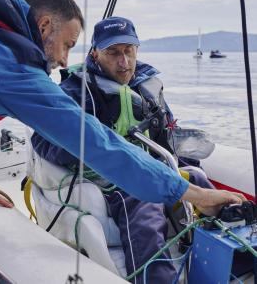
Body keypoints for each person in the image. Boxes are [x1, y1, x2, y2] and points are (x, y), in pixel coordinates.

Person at [0, 0, 244, 214]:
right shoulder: (12, 69)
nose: (63, 61)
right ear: (44, 26)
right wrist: (194, 195)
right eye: (68, 44)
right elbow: (94, 141)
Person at [30, 17, 224, 283]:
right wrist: (91, 148)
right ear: (95, 53)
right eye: (113, 53)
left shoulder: (147, 88)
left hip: (153, 170)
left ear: (137, 50)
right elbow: (42, 140)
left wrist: (186, 168)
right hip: (111, 181)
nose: (124, 62)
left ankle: (227, 267)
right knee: (144, 204)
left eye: (128, 51)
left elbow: (166, 137)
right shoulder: (74, 91)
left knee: (197, 178)